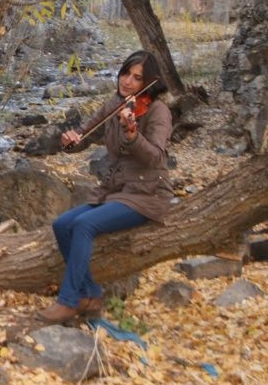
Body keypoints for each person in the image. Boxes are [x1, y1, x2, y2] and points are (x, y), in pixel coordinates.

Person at [38, 50, 173, 323]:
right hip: (114, 192)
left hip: (147, 194)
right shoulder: (115, 104)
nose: (128, 82)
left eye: (137, 78)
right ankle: (90, 293)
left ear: (150, 82)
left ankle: (69, 300)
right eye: (126, 74)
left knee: (84, 225)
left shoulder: (158, 111)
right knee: (62, 225)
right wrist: (72, 141)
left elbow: (156, 157)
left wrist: (133, 134)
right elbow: (87, 134)